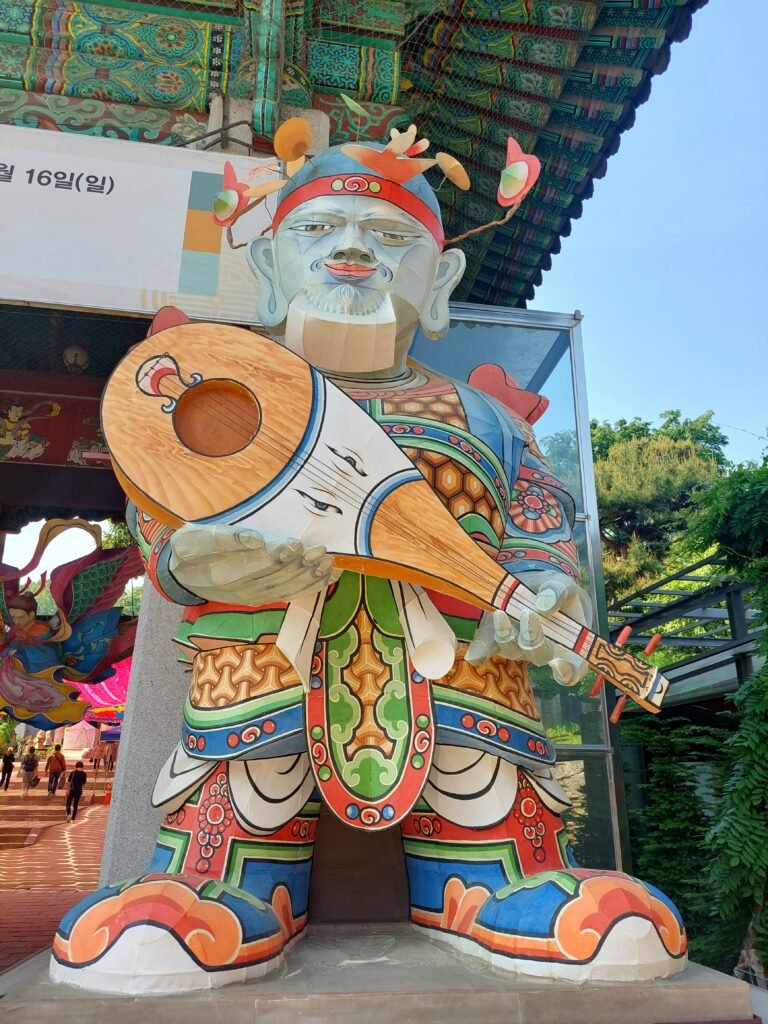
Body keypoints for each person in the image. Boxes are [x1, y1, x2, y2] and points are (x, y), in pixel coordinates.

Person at [51, 134, 686, 993]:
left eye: (390, 238)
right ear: (269, 266)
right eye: (320, 230)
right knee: (245, 786)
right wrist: (194, 561)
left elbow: (538, 519)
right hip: (264, 663)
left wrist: (547, 586)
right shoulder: (226, 393)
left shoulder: (485, 418)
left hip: (461, 672)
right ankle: (222, 878)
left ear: (441, 280)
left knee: (485, 776)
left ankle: (503, 876)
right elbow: (164, 507)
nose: (352, 250)